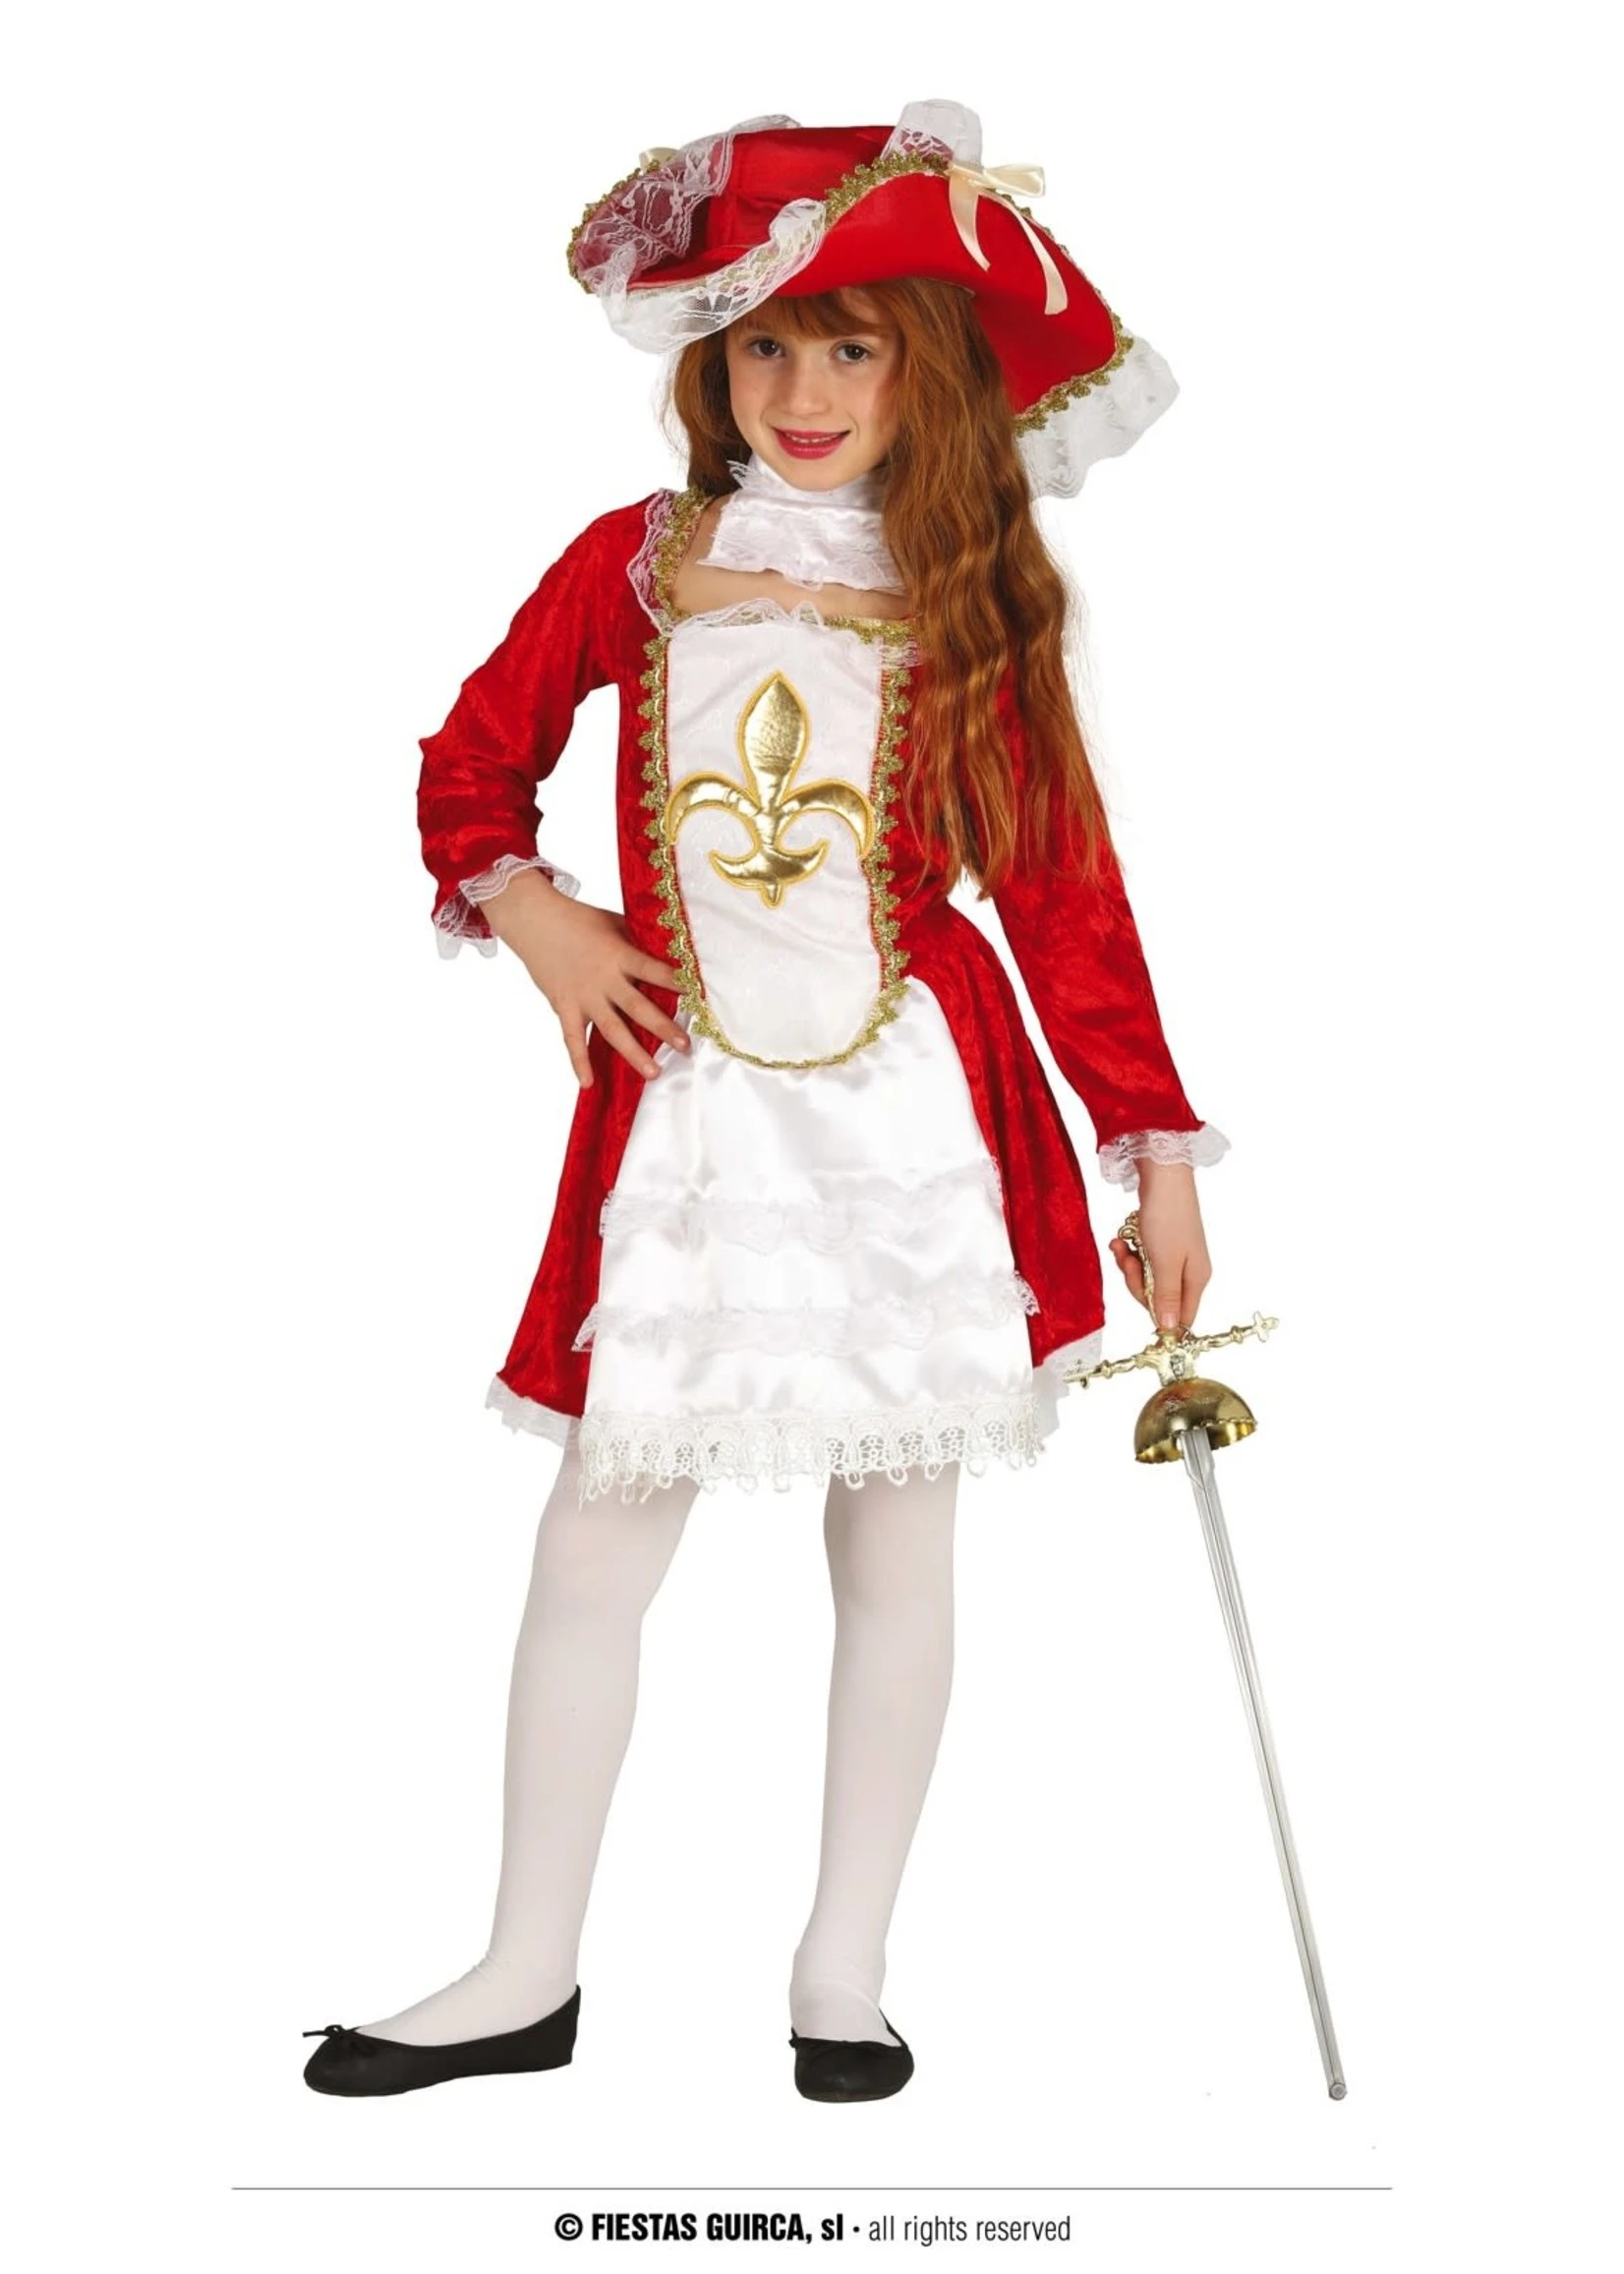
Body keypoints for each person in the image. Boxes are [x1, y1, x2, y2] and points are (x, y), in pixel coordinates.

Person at [302, 98, 1229, 2105]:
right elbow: (470, 764)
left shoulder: (974, 588)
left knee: (896, 1539)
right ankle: (523, 1969)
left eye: (854, 348)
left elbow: (1064, 893)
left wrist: (1149, 1144)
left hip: (915, 1126)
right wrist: (536, 913)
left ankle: (843, 1973)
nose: (805, 395)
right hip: (692, 1125)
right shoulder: (635, 566)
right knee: (597, 1534)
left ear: (929, 370)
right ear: (710, 361)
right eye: (767, 349)